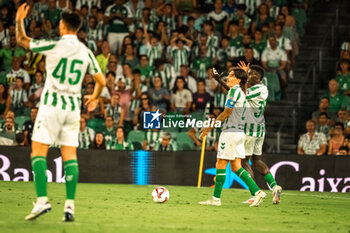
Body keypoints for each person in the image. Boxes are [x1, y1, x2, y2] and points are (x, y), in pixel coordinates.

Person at [16, 5, 106, 221]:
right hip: (73, 110)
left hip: (51, 107)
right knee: (70, 157)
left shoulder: (54, 44)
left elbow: (22, 41)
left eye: (59, 24)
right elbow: (101, 81)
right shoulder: (86, 51)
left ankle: (41, 201)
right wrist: (93, 98)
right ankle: (69, 206)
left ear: (64, 26)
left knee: (38, 152)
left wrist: (19, 20)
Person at [199, 69, 266, 207]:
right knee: (236, 166)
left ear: (238, 80)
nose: (228, 77)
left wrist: (210, 127)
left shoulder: (234, 91)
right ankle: (257, 192)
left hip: (231, 133)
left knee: (221, 164)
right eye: (228, 75)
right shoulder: (241, 92)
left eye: (231, 75)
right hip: (240, 133)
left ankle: (216, 199)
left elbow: (227, 112)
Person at [235, 63, 282, 205]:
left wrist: (243, 80)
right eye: (250, 73)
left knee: (243, 162)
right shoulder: (260, 88)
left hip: (250, 130)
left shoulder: (259, 89)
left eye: (255, 74)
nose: (251, 76)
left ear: (260, 78)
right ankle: (275, 187)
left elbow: (241, 94)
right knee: (256, 160)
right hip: (259, 128)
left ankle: (254, 193)